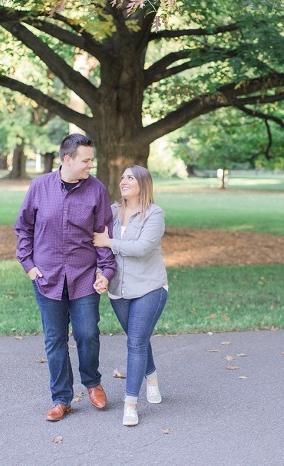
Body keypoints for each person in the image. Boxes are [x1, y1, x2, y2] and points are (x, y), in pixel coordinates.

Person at [14, 133, 116, 421]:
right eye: (86, 161)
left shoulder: (96, 190)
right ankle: (61, 398)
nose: (90, 165)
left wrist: (106, 271)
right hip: (47, 277)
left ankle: (92, 382)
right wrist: (28, 264)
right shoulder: (39, 187)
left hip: (84, 276)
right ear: (67, 159)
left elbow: (103, 235)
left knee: (87, 333)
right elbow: (24, 228)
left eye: (91, 160)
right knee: (55, 339)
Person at [93, 165, 168, 427]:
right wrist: (101, 274)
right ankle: (152, 375)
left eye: (130, 178)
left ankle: (130, 404)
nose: (124, 181)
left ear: (143, 184)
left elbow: (143, 248)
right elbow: (101, 251)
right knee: (139, 338)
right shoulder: (112, 212)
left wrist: (109, 242)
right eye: (123, 177)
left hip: (150, 287)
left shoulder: (154, 214)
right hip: (119, 290)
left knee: (135, 342)